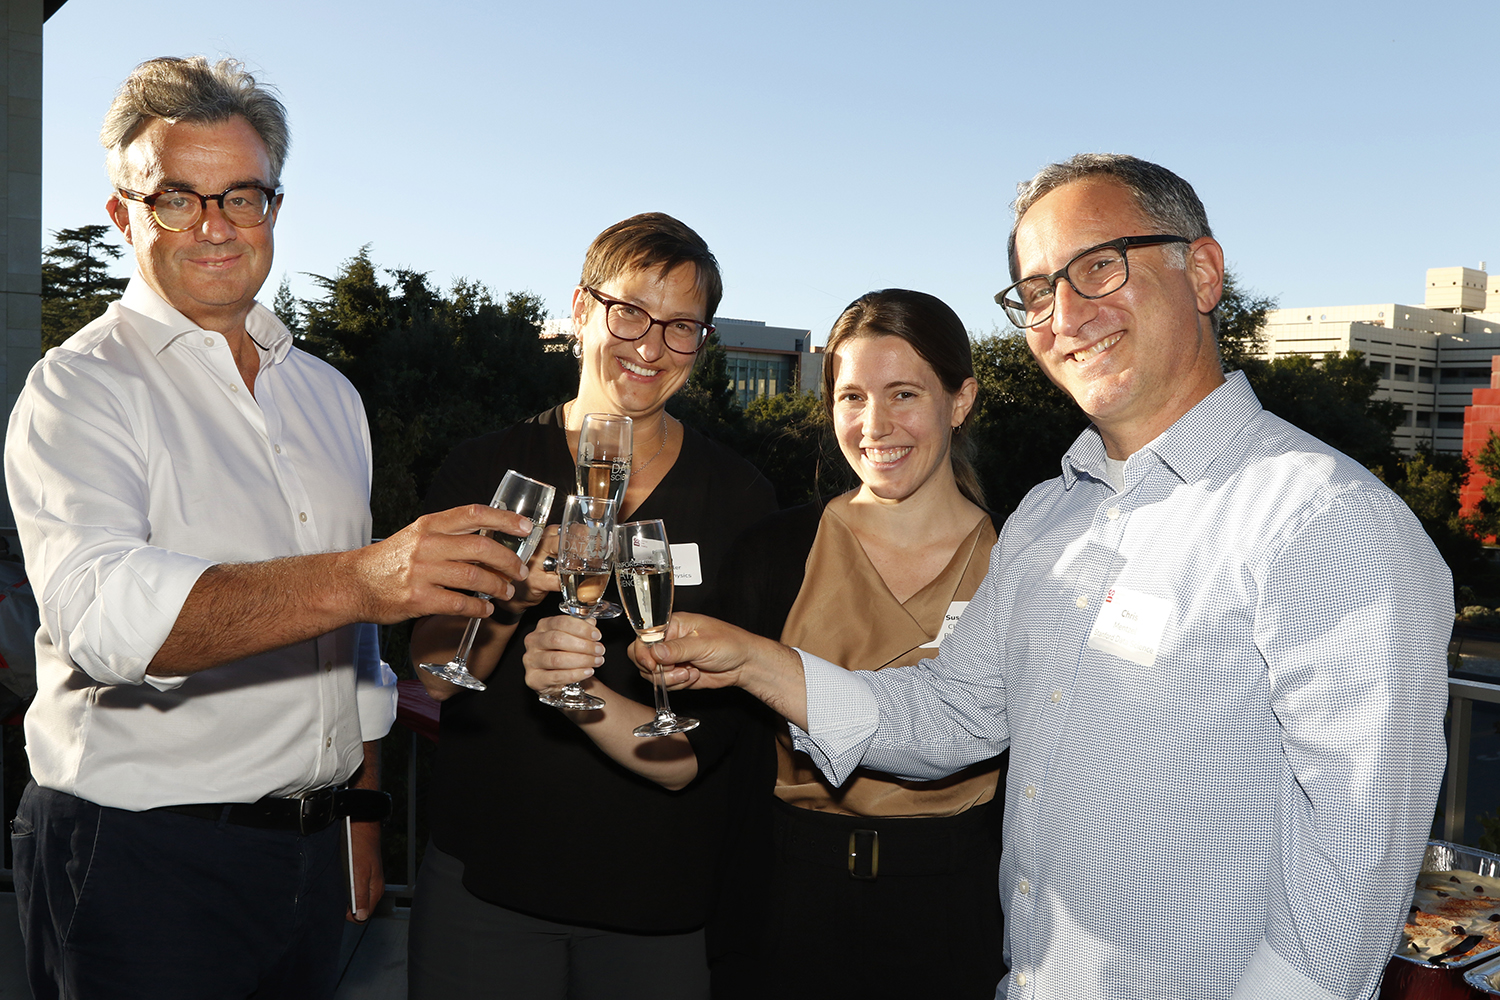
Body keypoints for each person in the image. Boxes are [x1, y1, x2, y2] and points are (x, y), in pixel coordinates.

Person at [614, 155, 1454, 1000]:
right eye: (1037, 291)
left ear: (1202, 273)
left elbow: (1359, 855)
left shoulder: (1325, 520)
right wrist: (752, 660)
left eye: (1099, 266)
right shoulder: (1050, 518)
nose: (1067, 315)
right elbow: (952, 714)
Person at [5, 56, 531, 1000]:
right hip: (139, 860)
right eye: (177, 198)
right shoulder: (78, 388)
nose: (213, 226)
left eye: (240, 197)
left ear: (274, 210)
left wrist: (362, 811)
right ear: (125, 214)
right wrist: (368, 576)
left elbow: (355, 651)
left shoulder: (330, 396)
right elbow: (106, 620)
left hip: (310, 857)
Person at [529, 288, 1009, 998]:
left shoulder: (1026, 561)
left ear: (960, 399)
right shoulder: (773, 554)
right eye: (851, 397)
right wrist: (577, 693)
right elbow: (687, 756)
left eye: (903, 393)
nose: (875, 424)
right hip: (786, 911)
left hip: (958, 917)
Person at [406, 212, 777, 1000]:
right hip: (487, 884)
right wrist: (509, 595)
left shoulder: (740, 496)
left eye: (682, 328)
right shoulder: (489, 466)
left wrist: (580, 696)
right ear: (581, 309)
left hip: (659, 897)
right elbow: (437, 676)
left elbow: (713, 740)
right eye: (630, 313)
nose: (650, 348)